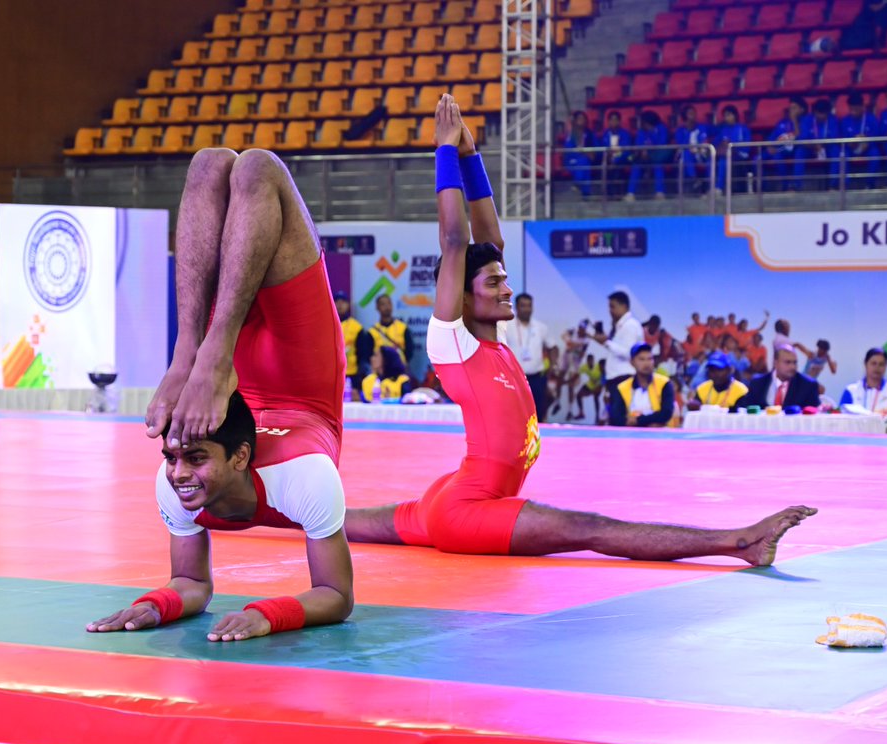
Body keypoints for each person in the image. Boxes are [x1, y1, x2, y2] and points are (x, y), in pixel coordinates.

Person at [343, 95, 817, 564]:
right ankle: (738, 542)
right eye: (494, 282)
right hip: (468, 510)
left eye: (505, 278)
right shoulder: (452, 343)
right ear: (465, 298)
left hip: (449, 497)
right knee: (589, 529)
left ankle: (267, 508)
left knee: (334, 519)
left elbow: (490, 243)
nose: (507, 286)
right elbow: (454, 241)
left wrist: (470, 157)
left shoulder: (494, 342)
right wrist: (444, 151)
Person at [90, 148, 354, 643]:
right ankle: (194, 345)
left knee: (247, 166)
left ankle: (200, 348)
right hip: (305, 376)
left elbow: (338, 597)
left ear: (240, 457)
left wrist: (267, 614)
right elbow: (190, 583)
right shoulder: (185, 481)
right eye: (173, 457)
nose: (177, 473)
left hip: (234, 374)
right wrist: (156, 605)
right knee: (225, 165)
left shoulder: (299, 480)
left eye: (190, 458)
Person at [504, 292, 557, 422]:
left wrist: (553, 366)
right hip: (514, 378)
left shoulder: (541, 327)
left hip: (537, 378)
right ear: (516, 307)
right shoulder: (506, 326)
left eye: (529, 306)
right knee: (515, 414)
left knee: (538, 413)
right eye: (523, 306)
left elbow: (553, 347)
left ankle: (538, 441)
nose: (527, 309)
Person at [839, 348, 887, 434]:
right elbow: (842, 419)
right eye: (873, 363)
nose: (877, 367)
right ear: (865, 364)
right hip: (854, 439)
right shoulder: (851, 390)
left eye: (881, 364)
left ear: (886, 366)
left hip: (884, 440)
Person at [607, 343, 675, 427]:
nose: (646, 363)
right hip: (630, 435)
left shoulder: (664, 383)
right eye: (641, 359)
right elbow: (617, 418)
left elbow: (666, 413)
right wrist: (648, 422)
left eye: (650, 359)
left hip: (661, 435)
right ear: (632, 362)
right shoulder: (622, 388)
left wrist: (638, 420)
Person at [592, 290, 643, 398]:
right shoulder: (621, 326)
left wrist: (606, 343)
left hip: (623, 378)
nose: (610, 311)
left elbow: (629, 353)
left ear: (624, 306)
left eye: (612, 307)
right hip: (617, 378)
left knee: (622, 414)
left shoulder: (630, 325)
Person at [745, 346, 822, 409]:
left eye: (794, 362)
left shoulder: (808, 385)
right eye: (787, 362)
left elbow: (815, 414)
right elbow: (745, 408)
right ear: (775, 363)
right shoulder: (757, 383)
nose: (792, 367)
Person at [626, 110, 671, 201]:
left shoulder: (661, 129)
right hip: (644, 157)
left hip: (658, 156)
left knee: (658, 165)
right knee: (636, 166)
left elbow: (662, 144)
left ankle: (660, 192)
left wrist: (649, 150)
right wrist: (643, 151)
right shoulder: (641, 131)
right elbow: (638, 144)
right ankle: (631, 193)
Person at [335, 290, 373, 400]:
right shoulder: (326, 324)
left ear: (348, 305)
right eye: (337, 301)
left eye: (343, 302)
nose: (340, 304)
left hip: (352, 374)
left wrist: (360, 375)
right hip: (331, 375)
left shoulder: (356, 327)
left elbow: (363, 353)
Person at [841, 93, 882, 189]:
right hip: (851, 148)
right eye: (851, 109)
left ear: (862, 107)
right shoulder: (845, 120)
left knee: (875, 153)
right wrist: (852, 142)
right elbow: (843, 139)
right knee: (842, 154)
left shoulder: (871, 118)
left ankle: (869, 184)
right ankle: (845, 185)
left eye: (856, 109)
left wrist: (867, 141)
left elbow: (876, 137)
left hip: (867, 148)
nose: (853, 112)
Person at [800, 99, 842, 190]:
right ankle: (796, 186)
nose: (821, 116)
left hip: (827, 148)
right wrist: (814, 146)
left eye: (823, 114)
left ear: (828, 113)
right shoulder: (807, 119)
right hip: (811, 148)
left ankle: (833, 185)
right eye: (818, 113)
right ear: (814, 112)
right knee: (799, 152)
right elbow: (803, 139)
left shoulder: (833, 120)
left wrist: (822, 145)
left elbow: (835, 138)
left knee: (836, 151)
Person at [769, 97, 808, 192]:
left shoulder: (806, 120)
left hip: (799, 148)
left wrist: (794, 119)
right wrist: (770, 147)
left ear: (802, 110)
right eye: (790, 108)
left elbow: (800, 137)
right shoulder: (782, 122)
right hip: (783, 149)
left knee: (800, 152)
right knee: (764, 158)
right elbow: (771, 139)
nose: (791, 110)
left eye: (794, 108)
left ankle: (795, 186)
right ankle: (785, 186)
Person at [369, 293, 415, 369]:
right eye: (383, 304)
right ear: (377, 307)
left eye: (389, 303)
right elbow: (368, 354)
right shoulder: (372, 331)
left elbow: (409, 349)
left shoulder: (402, 328)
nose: (387, 306)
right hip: (380, 371)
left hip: (400, 369)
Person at [714, 105, 752, 194]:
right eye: (725, 116)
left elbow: (747, 148)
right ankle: (714, 187)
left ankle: (719, 188)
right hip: (726, 155)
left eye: (729, 115)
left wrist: (732, 147)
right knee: (719, 160)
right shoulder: (723, 129)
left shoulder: (743, 128)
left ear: (735, 115)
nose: (727, 118)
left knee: (723, 160)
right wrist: (722, 145)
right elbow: (716, 144)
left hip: (741, 155)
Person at [674, 105, 711, 192]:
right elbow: (681, 145)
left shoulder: (701, 127)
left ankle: (710, 187)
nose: (693, 115)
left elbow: (704, 141)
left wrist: (698, 150)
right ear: (685, 116)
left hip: (700, 153)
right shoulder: (680, 130)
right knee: (686, 154)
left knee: (711, 160)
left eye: (694, 113)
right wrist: (688, 130)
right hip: (685, 155)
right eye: (690, 113)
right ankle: (693, 179)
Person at [564, 110, 596, 197]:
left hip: (585, 159)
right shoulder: (571, 134)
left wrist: (589, 153)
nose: (581, 120)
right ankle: (583, 188)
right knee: (583, 162)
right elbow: (568, 150)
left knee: (585, 162)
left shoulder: (589, 134)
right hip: (572, 160)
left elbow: (595, 148)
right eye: (579, 118)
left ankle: (583, 189)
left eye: (583, 118)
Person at [601, 110, 634, 196]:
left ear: (619, 121)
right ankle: (610, 194)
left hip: (625, 157)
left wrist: (615, 158)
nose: (613, 122)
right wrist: (609, 156)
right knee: (605, 165)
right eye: (611, 120)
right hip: (609, 158)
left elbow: (625, 148)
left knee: (618, 163)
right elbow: (604, 147)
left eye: (616, 120)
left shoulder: (625, 133)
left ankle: (618, 193)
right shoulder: (605, 134)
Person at [576, 353, 603, 422]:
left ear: (593, 360)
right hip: (590, 385)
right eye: (589, 361)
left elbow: (604, 375)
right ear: (587, 361)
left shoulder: (598, 366)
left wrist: (600, 386)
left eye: (591, 360)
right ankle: (581, 412)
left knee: (596, 397)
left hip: (598, 385)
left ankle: (597, 416)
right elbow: (577, 373)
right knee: (578, 395)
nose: (590, 362)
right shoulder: (585, 367)